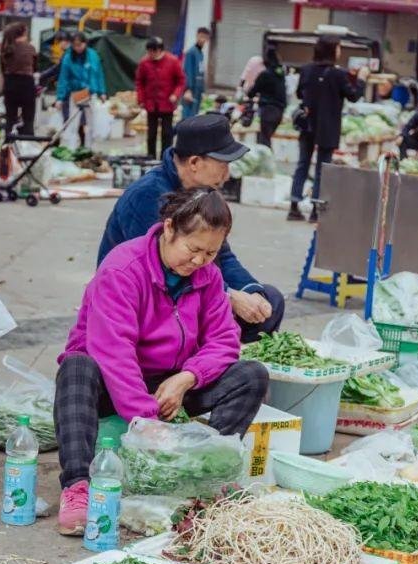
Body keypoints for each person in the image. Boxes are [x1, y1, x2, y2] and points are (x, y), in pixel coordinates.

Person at [55, 187, 269, 535]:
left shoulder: (209, 276)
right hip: (113, 381)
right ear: (169, 229)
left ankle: (205, 477)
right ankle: (78, 486)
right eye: (193, 249)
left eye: (210, 253)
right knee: (76, 368)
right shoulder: (123, 269)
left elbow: (225, 339)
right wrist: (147, 420)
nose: (199, 261)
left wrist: (187, 378)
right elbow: (114, 352)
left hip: (170, 382)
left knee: (252, 375)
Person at [98, 114, 285, 343]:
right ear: (194, 163)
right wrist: (229, 296)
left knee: (269, 301)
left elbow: (222, 255)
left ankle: (222, 352)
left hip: (194, 288)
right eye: (223, 165)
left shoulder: (204, 195)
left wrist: (250, 292)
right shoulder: (147, 196)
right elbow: (165, 272)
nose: (227, 174)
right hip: (151, 300)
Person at [289, 35, 368, 223]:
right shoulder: (337, 74)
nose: (340, 51)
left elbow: (299, 93)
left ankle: (294, 206)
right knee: (323, 169)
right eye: (339, 47)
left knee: (302, 164)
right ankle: (316, 211)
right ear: (332, 50)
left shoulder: (306, 70)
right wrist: (361, 79)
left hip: (307, 124)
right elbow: (353, 95)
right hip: (328, 126)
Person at [136, 37, 185, 159]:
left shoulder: (172, 61)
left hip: (167, 104)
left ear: (159, 50)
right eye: (148, 52)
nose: (150, 54)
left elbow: (181, 81)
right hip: (151, 103)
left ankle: (165, 158)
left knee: (167, 133)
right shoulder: (144, 63)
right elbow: (140, 82)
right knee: (151, 133)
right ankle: (151, 157)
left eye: (152, 51)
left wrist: (175, 94)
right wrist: (141, 99)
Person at [56, 33, 106, 148]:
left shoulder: (93, 55)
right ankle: (72, 148)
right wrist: (60, 98)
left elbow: (99, 74)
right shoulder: (68, 57)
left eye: (80, 45)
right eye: (74, 45)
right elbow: (63, 78)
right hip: (76, 93)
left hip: (91, 93)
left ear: (85, 43)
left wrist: (102, 91)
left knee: (92, 123)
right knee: (73, 124)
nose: (77, 48)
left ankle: (90, 148)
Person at [0, 22, 38, 135]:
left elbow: (3, 68)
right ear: (23, 33)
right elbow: (35, 67)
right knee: (28, 118)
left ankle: (8, 141)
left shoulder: (6, 48)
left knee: (10, 118)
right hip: (26, 83)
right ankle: (27, 140)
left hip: (10, 83)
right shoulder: (30, 48)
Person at [247, 47, 286, 148]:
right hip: (279, 111)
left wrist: (249, 91)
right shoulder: (280, 74)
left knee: (264, 141)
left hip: (268, 110)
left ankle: (266, 157)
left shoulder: (265, 74)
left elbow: (252, 92)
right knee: (266, 138)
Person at [181, 27, 210, 119]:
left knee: (194, 116)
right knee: (187, 116)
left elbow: (201, 72)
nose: (202, 39)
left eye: (205, 37)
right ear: (197, 36)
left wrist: (202, 90)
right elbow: (187, 71)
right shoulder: (191, 52)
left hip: (198, 89)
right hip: (191, 89)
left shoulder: (200, 53)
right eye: (201, 36)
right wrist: (187, 89)